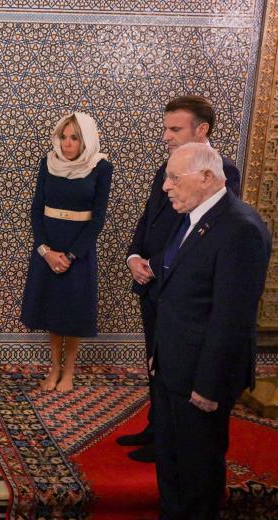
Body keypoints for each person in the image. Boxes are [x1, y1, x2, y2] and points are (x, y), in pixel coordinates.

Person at [118, 95, 242, 463]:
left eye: (175, 129)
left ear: (201, 129)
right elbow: (150, 218)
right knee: (156, 359)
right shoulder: (168, 168)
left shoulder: (222, 172)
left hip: (182, 287)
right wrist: (134, 256)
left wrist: (159, 263)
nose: (166, 136)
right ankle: (156, 427)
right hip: (152, 281)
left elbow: (200, 233)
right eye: (165, 128)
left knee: (177, 365)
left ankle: (170, 439)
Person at [150, 142, 269, 519]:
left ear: (206, 177)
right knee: (171, 462)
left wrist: (209, 384)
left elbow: (231, 317)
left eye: (173, 177)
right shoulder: (193, 218)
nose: (166, 186)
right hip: (174, 364)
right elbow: (179, 294)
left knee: (198, 473)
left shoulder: (240, 228)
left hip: (202, 376)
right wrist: (159, 351)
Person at [20, 112, 113, 392]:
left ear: (86, 140)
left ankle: (69, 370)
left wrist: (72, 255)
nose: (68, 143)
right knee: (52, 308)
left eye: (75, 137)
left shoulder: (101, 167)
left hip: (79, 250)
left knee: (72, 310)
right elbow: (37, 209)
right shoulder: (48, 164)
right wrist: (45, 250)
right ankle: (54, 368)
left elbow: (98, 218)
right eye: (65, 136)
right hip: (48, 247)